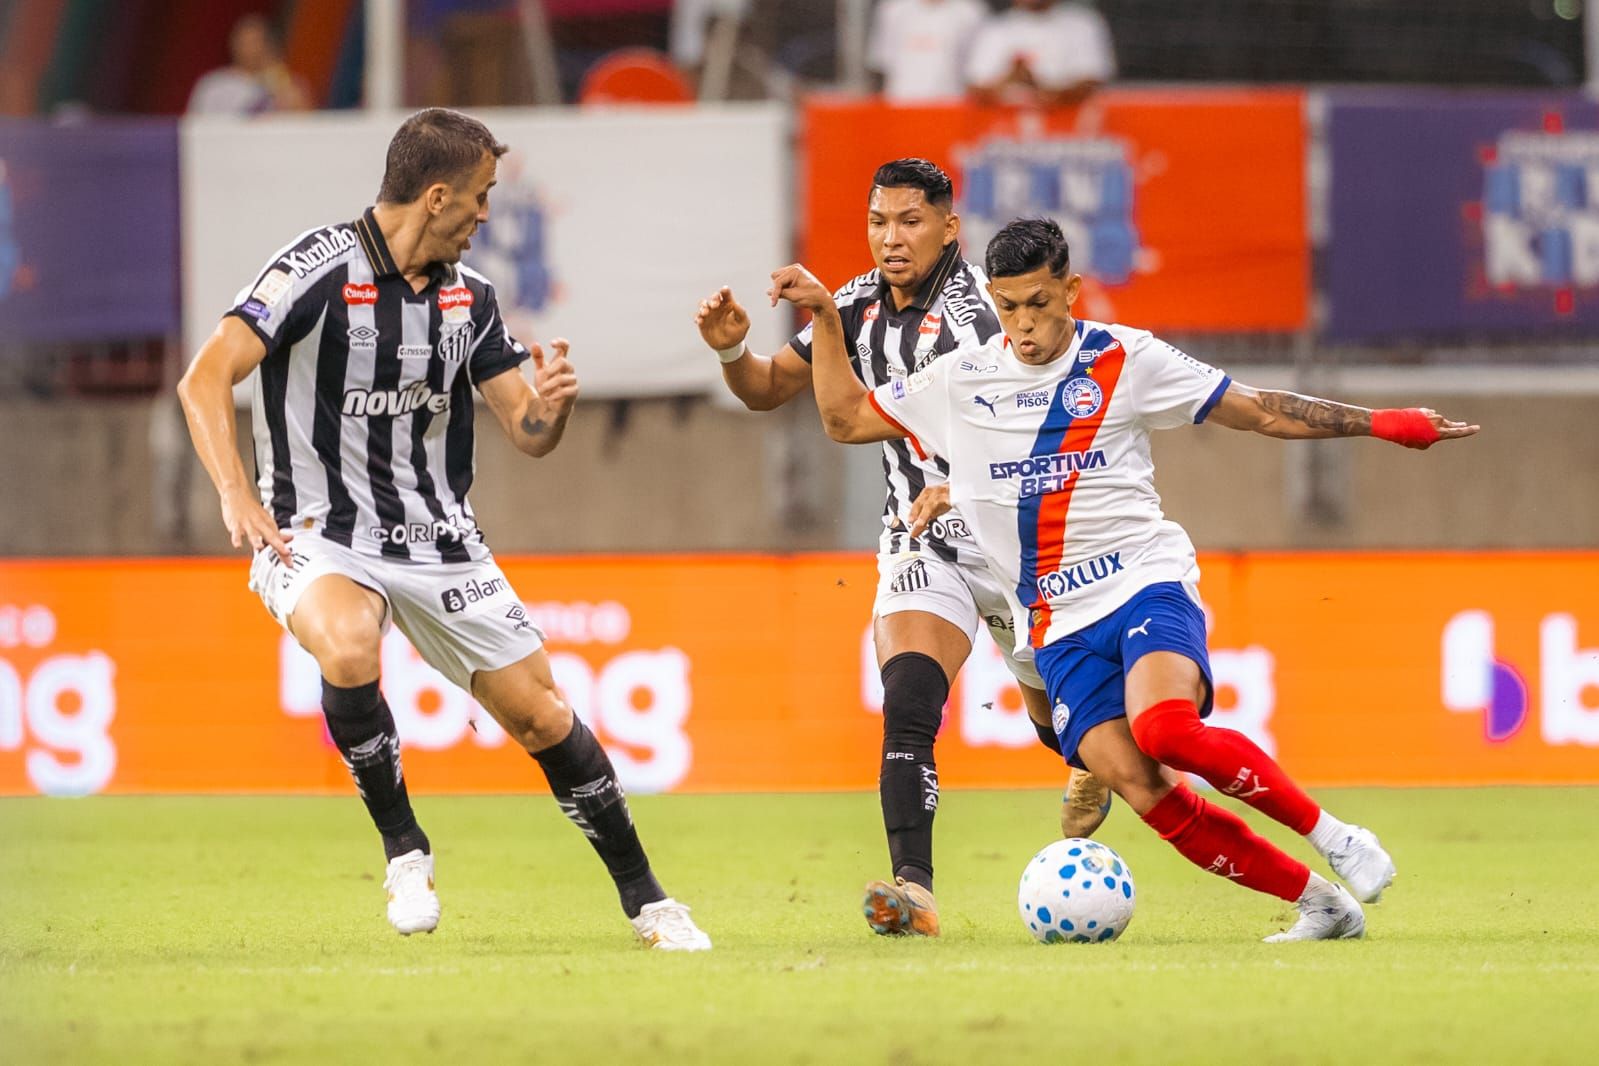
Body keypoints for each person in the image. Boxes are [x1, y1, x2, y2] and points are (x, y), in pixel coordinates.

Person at [776, 217, 1480, 940]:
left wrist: (1383, 423)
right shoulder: (962, 379)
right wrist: (827, 320)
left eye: (1041, 304)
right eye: (1009, 306)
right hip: (1052, 622)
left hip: (1140, 581)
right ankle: (1321, 904)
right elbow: (844, 418)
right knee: (1140, 785)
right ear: (993, 298)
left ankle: (1336, 837)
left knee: (1165, 729)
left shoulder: (1125, 359)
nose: (1024, 325)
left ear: (1072, 291)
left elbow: (1257, 411)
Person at [177, 108, 710, 951]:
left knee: (541, 716)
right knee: (348, 644)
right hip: (315, 531)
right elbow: (204, 377)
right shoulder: (315, 269)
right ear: (435, 197)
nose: (486, 214)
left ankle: (648, 902)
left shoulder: (473, 301)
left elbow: (526, 435)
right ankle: (404, 849)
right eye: (480, 197)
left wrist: (553, 407)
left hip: (439, 540)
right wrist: (236, 493)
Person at [693, 159, 1113, 939]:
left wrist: (976, 482)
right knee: (909, 700)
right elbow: (763, 391)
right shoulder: (850, 303)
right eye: (879, 221)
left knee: (1059, 717)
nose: (892, 238)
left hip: (1017, 539)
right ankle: (912, 890)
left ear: (948, 228)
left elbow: (1039, 417)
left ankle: (1086, 754)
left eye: (910, 221)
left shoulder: (981, 314)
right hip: (922, 543)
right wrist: (730, 353)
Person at [966, 0, 1116, 108]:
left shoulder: (1083, 24)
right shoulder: (995, 29)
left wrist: (1049, 93)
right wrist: (1013, 77)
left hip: (1075, 138)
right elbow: (977, 87)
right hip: (1003, 137)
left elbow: (1092, 79)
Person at [187, 13, 311, 116]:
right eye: (243, 41)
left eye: (255, 42)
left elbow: (306, 120)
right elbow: (194, 125)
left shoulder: (285, 82)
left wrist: (281, 83)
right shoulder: (213, 85)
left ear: (268, 44)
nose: (248, 48)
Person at [868, 0, 989, 103]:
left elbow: (977, 72)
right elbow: (882, 66)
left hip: (951, 108)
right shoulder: (892, 10)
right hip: (899, 107)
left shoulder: (971, 12)